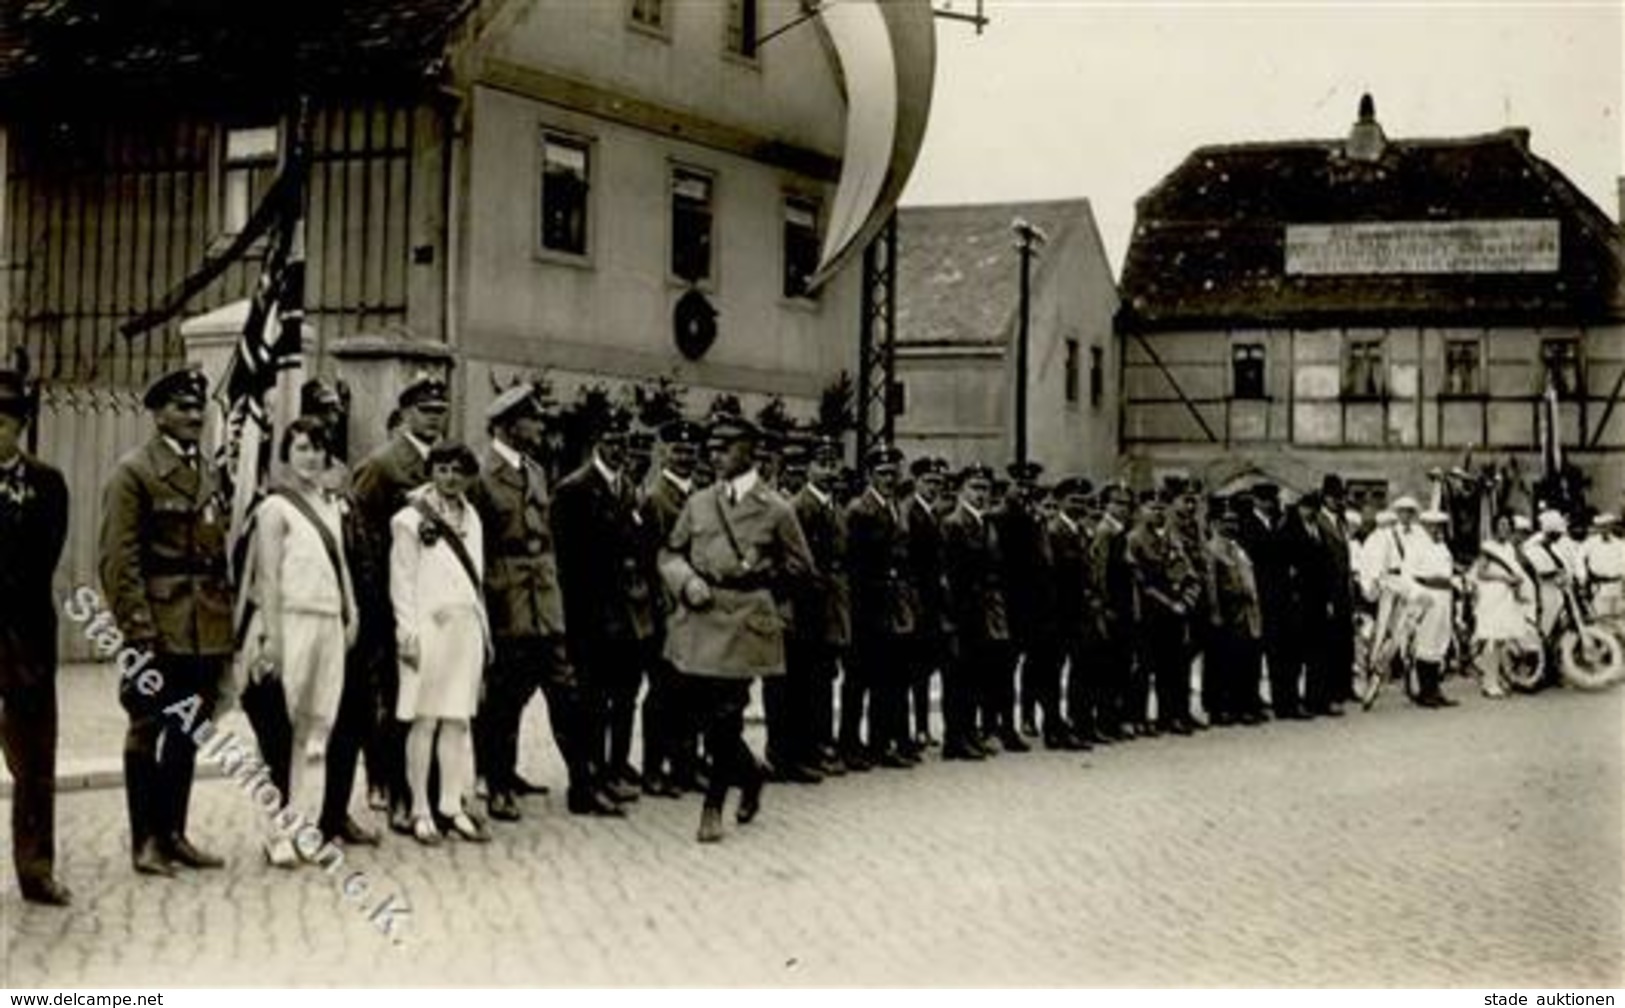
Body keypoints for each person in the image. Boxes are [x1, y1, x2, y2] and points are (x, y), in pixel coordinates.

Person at [99, 365, 231, 876]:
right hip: (157, 623)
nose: (194, 416)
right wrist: (138, 630)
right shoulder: (134, 472)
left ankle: (174, 833)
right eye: (182, 407)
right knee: (147, 726)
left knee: (188, 729)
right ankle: (145, 841)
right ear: (157, 415)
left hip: (203, 625)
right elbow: (118, 560)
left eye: (198, 408)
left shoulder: (209, 471)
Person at [659, 417, 814, 843]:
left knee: (726, 718)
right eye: (712, 447)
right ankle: (751, 774)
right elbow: (670, 553)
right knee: (696, 714)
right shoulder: (700, 503)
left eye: (725, 447)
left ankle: (712, 808)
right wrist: (686, 581)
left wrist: (762, 591)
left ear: (750, 451)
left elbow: (803, 569)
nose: (714, 454)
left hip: (746, 624)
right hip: (699, 618)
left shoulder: (776, 508)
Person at [470, 385, 619, 820]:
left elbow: (546, 538)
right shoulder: (481, 474)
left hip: (545, 603)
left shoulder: (535, 470)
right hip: (507, 601)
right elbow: (475, 544)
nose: (539, 426)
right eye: (532, 419)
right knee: (504, 699)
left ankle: (583, 784)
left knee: (567, 695)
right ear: (508, 425)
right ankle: (498, 783)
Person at [246, 419, 358, 867]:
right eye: (302, 449)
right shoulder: (275, 508)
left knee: (316, 730)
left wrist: (351, 611)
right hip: (290, 621)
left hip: (328, 621)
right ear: (286, 455)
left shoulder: (331, 504)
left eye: (318, 449)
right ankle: (273, 831)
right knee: (278, 730)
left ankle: (302, 825)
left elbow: (341, 564)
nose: (311, 458)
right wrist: (270, 636)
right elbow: (268, 576)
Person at [351, 372, 448, 833]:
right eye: (426, 410)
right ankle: (396, 792)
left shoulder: (446, 465)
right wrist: (376, 604)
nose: (434, 418)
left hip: (438, 601)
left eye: (440, 410)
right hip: (395, 601)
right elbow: (363, 537)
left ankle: (431, 790)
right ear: (406, 413)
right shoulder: (384, 465)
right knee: (397, 698)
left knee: (434, 696)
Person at [390, 441, 492, 845]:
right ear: (431, 471)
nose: (450, 478)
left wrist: (483, 632)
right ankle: (420, 807)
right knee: (424, 718)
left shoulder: (473, 518)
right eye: (443, 469)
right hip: (427, 629)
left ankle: (451, 804)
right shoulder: (408, 520)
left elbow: (476, 578)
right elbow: (402, 580)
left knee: (457, 719)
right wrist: (407, 632)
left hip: (465, 628)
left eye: (458, 471)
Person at [0, 371, 71, 904]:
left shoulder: (46, 485)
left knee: (35, 759)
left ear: (20, 425)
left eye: (3, 420)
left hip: (26, 638)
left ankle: (36, 868)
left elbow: (42, 560)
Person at [552, 412, 648, 805]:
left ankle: (615, 768)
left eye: (624, 441)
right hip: (589, 614)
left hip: (626, 613)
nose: (619, 448)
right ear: (596, 443)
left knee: (624, 695)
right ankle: (588, 775)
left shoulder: (629, 488)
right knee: (591, 698)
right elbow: (566, 560)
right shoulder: (575, 489)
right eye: (611, 440)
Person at [774, 435, 850, 783]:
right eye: (822, 463)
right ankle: (793, 753)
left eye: (834, 463)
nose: (829, 470)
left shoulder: (833, 505)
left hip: (829, 607)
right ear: (809, 468)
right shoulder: (800, 506)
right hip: (805, 606)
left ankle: (815, 746)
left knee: (820, 680)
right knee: (799, 683)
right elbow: (795, 560)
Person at [637, 418, 706, 796]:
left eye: (690, 451)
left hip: (698, 608)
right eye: (678, 450)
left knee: (692, 691)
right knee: (663, 693)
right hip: (666, 609)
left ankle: (686, 765)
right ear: (664, 453)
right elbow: (649, 559)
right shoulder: (654, 498)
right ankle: (652, 768)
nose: (684, 457)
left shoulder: (700, 495)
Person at [843, 443, 919, 768]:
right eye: (883, 473)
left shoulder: (895, 508)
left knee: (888, 679)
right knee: (858, 681)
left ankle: (880, 742)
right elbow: (856, 564)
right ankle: (849, 743)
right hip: (867, 606)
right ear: (870, 475)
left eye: (893, 473)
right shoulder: (860, 510)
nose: (889, 478)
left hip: (892, 605)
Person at [939, 464, 1008, 760]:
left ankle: (968, 732)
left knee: (976, 675)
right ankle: (955, 737)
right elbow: (948, 574)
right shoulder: (954, 523)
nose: (981, 494)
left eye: (985, 489)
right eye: (975, 488)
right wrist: (950, 617)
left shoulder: (986, 524)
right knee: (957, 678)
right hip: (962, 609)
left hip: (982, 611)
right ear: (960, 490)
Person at [1126, 491, 1196, 735]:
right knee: (1144, 668)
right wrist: (1169, 603)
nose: (1157, 512)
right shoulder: (1134, 539)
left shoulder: (1172, 538)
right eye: (1151, 507)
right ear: (1142, 510)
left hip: (1175, 614)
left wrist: (1186, 602)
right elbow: (1142, 582)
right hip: (1149, 613)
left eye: (1160, 508)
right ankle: (1139, 717)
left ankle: (1170, 716)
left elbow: (1189, 574)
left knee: (1173, 667)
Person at [998, 462, 1050, 748]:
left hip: (1033, 602)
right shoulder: (1004, 517)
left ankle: (1027, 717)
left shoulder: (1034, 516)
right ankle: (1003, 725)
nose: (1025, 490)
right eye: (1020, 485)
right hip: (1012, 600)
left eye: (1030, 486)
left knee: (1032, 663)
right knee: (1006, 667)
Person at [904, 456, 951, 751]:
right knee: (917, 669)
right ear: (917, 482)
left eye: (938, 482)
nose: (934, 487)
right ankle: (919, 728)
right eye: (929, 482)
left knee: (928, 665)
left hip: (933, 599)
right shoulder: (911, 512)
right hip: (917, 598)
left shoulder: (934, 513)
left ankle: (923, 728)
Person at [1043, 478, 1094, 749]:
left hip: (1078, 613)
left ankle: (1078, 722)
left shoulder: (1080, 531)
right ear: (1061, 501)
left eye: (1083, 500)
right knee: (1053, 672)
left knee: (1080, 670)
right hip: (1059, 613)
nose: (1080, 505)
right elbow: (1050, 576)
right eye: (1074, 500)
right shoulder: (1054, 531)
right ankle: (1053, 727)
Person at [1205, 501, 1266, 726]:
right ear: (1215, 523)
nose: (1232, 525)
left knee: (1244, 660)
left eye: (1234, 521)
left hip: (1246, 613)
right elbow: (1211, 584)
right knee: (1224, 663)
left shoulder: (1237, 547)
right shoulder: (1212, 548)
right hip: (1228, 612)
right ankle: (1220, 708)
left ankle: (1243, 705)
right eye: (1226, 521)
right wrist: (1215, 612)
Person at [1089, 483, 1137, 738]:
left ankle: (1118, 718)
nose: (1122, 508)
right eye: (1116, 503)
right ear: (1105, 504)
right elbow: (1099, 571)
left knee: (1122, 664)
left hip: (1126, 605)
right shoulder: (1105, 532)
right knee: (1108, 667)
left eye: (1126, 504)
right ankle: (1106, 719)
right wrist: (1104, 605)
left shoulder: (1123, 532)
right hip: (1112, 607)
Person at [1471, 513, 1537, 698]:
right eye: (1501, 524)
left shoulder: (1509, 547)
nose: (1505, 528)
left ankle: (1495, 679)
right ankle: (1488, 683)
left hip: (1506, 596)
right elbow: (1481, 573)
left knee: (1501, 641)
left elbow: (1515, 571)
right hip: (1492, 595)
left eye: (1508, 525)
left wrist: (1517, 591)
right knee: (1491, 639)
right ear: (1495, 527)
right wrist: (1505, 578)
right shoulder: (1488, 547)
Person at [1403, 510, 1460, 707]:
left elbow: (1447, 573)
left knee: (1439, 642)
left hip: (1444, 597)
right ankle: (1425, 691)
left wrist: (1457, 584)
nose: (1436, 529)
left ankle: (1435, 689)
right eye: (1432, 525)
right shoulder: (1415, 546)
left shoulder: (1442, 547)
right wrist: (1418, 593)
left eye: (1439, 525)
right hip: (1427, 596)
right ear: (1424, 525)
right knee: (1426, 642)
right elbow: (1407, 575)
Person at [1584, 513, 1625, 622]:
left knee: (1618, 618)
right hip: (1600, 586)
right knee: (1601, 618)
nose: (1605, 529)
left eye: (1607, 526)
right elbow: (1580, 561)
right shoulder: (1589, 544)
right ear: (1598, 528)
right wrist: (1583, 579)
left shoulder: (1619, 544)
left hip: (1617, 586)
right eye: (1602, 526)